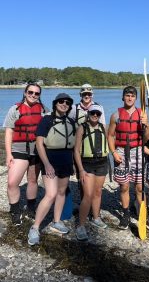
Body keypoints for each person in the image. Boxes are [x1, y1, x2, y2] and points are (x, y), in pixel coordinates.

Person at [27, 93, 76, 245]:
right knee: (51, 194)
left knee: (61, 192)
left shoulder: (71, 121)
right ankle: (35, 227)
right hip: (51, 160)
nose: (64, 104)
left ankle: (56, 221)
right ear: (55, 103)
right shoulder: (46, 120)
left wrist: (73, 163)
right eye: (61, 102)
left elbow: (73, 144)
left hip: (66, 160)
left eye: (67, 103)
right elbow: (39, 143)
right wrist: (47, 164)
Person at [3, 83, 48, 225]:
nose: (33, 95)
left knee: (33, 180)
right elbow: (9, 132)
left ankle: (30, 208)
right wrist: (9, 154)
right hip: (19, 150)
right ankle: (15, 211)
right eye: (30, 92)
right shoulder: (14, 109)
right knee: (12, 183)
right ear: (25, 92)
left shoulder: (43, 110)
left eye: (36, 93)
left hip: (37, 151)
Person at [107, 85, 149, 230]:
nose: (130, 98)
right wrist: (113, 152)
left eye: (132, 95)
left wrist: (146, 125)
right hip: (121, 151)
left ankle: (143, 214)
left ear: (136, 98)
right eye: (127, 95)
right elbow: (111, 135)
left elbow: (147, 137)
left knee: (139, 187)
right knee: (124, 186)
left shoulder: (142, 114)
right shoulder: (116, 115)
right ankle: (125, 215)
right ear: (123, 97)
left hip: (137, 151)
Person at [74, 104, 109, 241]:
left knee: (98, 192)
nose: (95, 115)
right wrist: (80, 169)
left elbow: (111, 140)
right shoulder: (82, 128)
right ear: (88, 114)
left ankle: (95, 217)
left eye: (98, 114)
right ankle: (80, 226)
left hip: (101, 162)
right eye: (93, 113)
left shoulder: (103, 127)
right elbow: (76, 150)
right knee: (87, 195)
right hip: (87, 164)